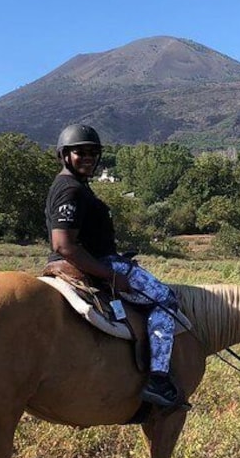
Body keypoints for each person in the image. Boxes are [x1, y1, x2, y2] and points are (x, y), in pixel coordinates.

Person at [45, 123, 185, 409]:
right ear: (64, 155)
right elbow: (63, 244)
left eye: (93, 153)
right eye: (80, 152)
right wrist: (111, 276)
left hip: (101, 258)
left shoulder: (76, 186)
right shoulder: (70, 190)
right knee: (167, 302)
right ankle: (158, 379)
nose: (88, 158)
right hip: (98, 265)